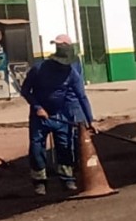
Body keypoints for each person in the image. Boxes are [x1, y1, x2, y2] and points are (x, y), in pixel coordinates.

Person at [20, 34, 95, 196]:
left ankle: (67, 178)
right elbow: (25, 90)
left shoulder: (71, 74)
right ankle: (39, 181)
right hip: (40, 117)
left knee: (64, 147)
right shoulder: (39, 69)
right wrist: (37, 107)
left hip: (61, 116)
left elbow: (81, 96)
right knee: (36, 148)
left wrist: (89, 120)